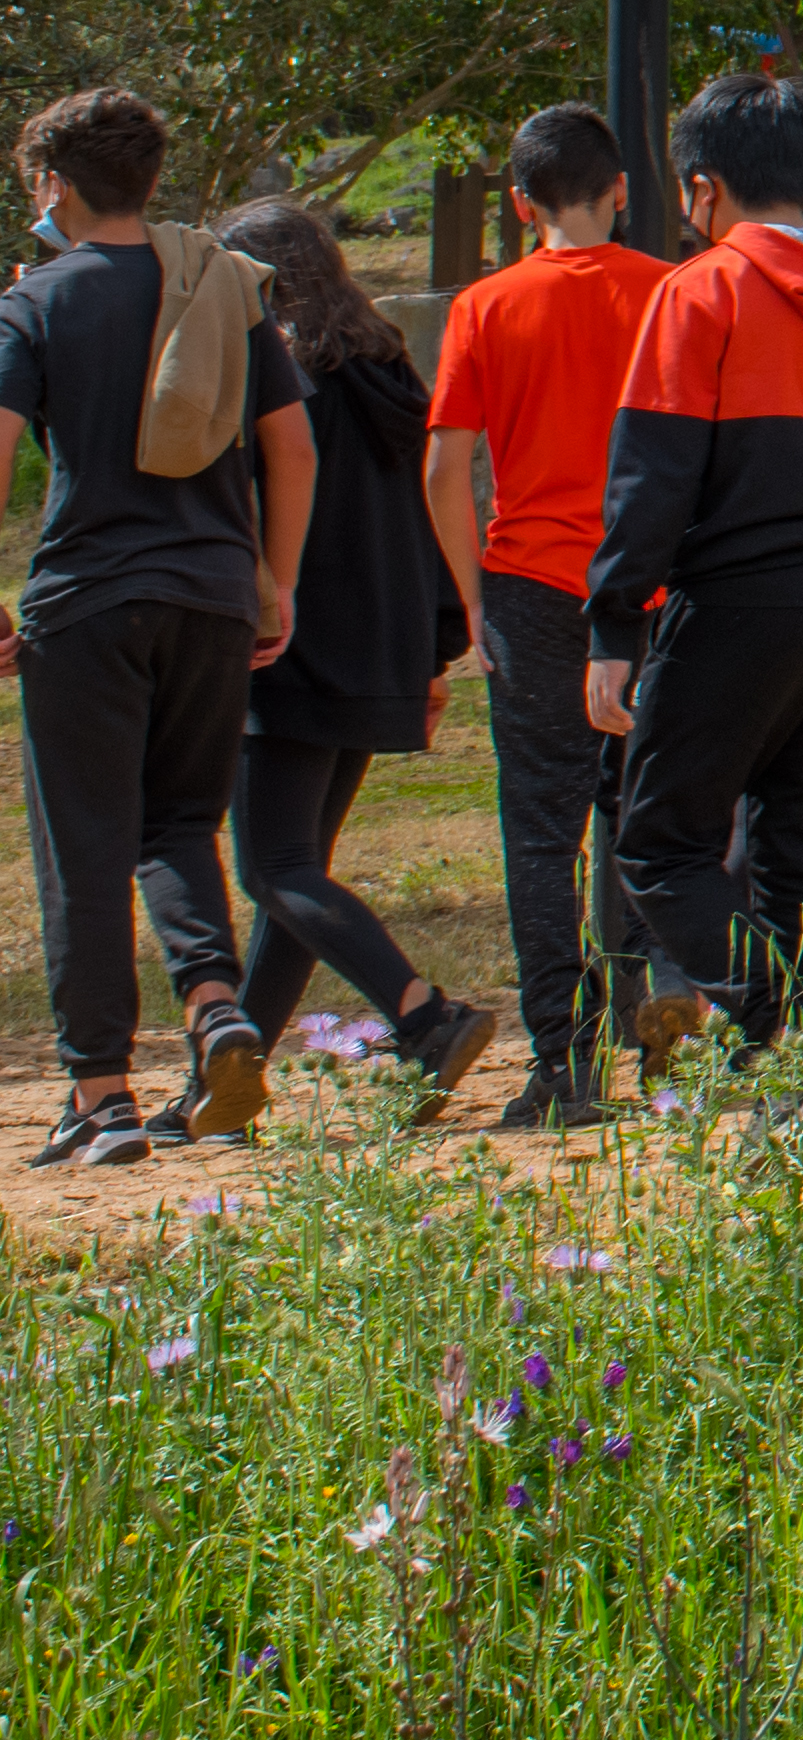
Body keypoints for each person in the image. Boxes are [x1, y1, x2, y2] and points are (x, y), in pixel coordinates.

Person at [584, 76, 803, 1073]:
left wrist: (615, 626)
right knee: (802, 854)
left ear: (703, 189)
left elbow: (651, 476)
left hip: (737, 598)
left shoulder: (699, 292)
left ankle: (780, 1020)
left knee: (658, 846)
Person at [0, 89, 311, 1167]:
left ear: (54, 186)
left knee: (82, 845)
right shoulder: (227, 288)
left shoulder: (35, 302)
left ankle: (101, 1096)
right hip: (216, 594)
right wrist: (275, 578)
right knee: (181, 824)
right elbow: (293, 447)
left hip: (86, 601)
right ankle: (219, 1008)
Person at [421, 102, 683, 1125]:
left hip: (532, 584)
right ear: (622, 189)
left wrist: (470, 592)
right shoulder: (669, 292)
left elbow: (448, 465)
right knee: (650, 806)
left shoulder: (485, 306)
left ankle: (560, 1061)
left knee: (540, 828)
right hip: (651, 584)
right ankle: (664, 987)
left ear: (521, 202)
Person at [210, 199, 491, 1116]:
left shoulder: (277, 372)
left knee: (274, 869)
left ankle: (422, 1015)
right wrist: (438, 645)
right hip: (381, 646)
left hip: (289, 648)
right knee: (299, 875)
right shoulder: (383, 365)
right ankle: (227, 1082)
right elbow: (421, 515)